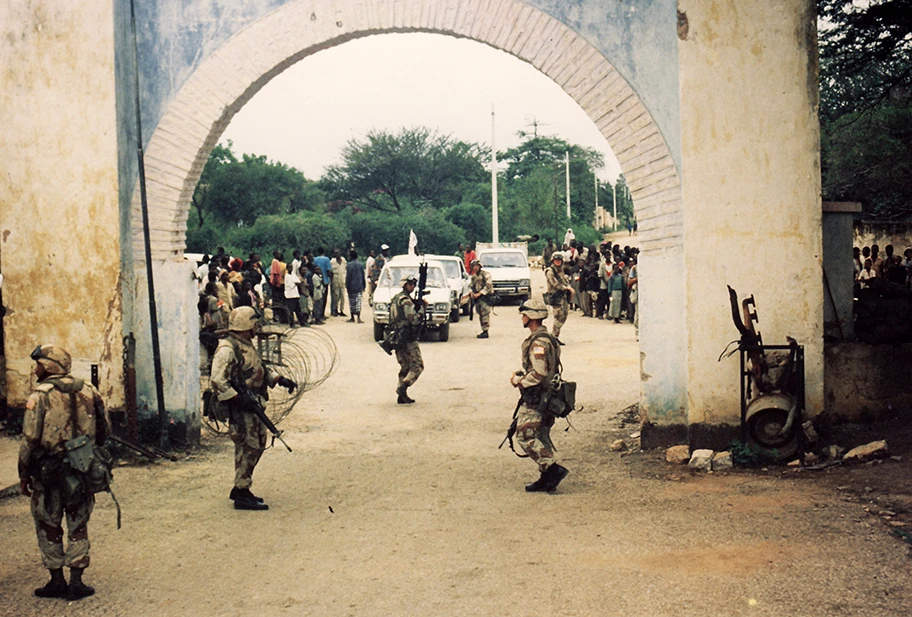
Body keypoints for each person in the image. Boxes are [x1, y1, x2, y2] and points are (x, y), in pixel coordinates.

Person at [18, 344, 110, 600]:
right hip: (82, 469)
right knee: (78, 522)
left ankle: (57, 580)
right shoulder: (90, 390)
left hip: (48, 472)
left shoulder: (40, 395)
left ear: (49, 366)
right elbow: (105, 431)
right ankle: (77, 582)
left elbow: (29, 439)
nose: (36, 369)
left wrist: (24, 474)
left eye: (38, 364)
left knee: (48, 523)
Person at [210, 307, 297, 511]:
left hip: (253, 403)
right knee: (246, 445)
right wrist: (238, 399)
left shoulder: (245, 344)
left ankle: (243, 487)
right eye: (254, 325)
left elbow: (258, 369)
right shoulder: (227, 349)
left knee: (258, 443)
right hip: (240, 407)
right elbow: (217, 380)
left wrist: (279, 379)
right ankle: (241, 490)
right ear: (246, 326)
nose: (257, 328)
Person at [509, 299, 569, 493]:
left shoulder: (539, 342)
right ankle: (546, 477)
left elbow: (540, 373)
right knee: (540, 435)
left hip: (538, 397)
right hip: (547, 395)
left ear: (532, 317)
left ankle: (552, 469)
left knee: (525, 436)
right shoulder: (546, 337)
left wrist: (519, 381)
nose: (522, 318)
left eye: (524, 314)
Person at [389, 275, 426, 404]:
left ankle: (402, 396)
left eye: (413, 284)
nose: (412, 286)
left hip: (397, 337)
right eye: (410, 284)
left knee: (405, 366)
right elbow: (414, 319)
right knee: (417, 365)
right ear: (405, 285)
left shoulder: (396, 299)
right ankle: (403, 387)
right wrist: (422, 309)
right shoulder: (406, 301)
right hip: (407, 337)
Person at [545, 253, 572, 343]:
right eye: (556, 260)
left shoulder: (560, 270)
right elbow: (554, 283)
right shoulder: (550, 271)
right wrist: (565, 288)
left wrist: (568, 286)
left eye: (559, 260)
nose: (558, 261)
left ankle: (555, 336)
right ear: (553, 260)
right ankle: (554, 336)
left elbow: (564, 281)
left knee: (564, 315)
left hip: (562, 296)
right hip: (555, 296)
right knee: (558, 316)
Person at [470, 258, 494, 338]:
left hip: (485, 298)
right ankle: (483, 329)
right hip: (478, 299)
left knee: (485, 314)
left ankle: (485, 330)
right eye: (473, 266)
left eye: (476, 266)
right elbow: (470, 286)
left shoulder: (485, 274)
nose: (475, 268)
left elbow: (488, 285)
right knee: (480, 313)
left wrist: (480, 293)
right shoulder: (474, 277)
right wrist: (472, 293)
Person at [346, 250, 366, 323]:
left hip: (351, 286)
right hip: (359, 285)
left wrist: (347, 285)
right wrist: (364, 285)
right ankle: (358, 317)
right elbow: (363, 275)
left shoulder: (349, 265)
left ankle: (352, 317)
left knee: (352, 301)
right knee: (358, 302)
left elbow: (348, 276)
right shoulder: (360, 264)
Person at [313, 248, 332, 320]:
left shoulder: (315, 259)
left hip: (317, 280)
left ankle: (317, 313)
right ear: (324, 252)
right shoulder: (326, 259)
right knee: (324, 298)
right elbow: (328, 270)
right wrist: (331, 279)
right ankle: (322, 314)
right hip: (325, 281)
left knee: (317, 299)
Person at [330, 248, 348, 317]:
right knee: (335, 296)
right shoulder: (332, 261)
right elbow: (330, 272)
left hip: (342, 279)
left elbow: (346, 269)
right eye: (335, 253)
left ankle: (341, 310)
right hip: (335, 280)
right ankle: (335, 310)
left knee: (342, 296)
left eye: (338, 252)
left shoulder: (343, 260)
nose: (337, 254)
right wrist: (331, 282)